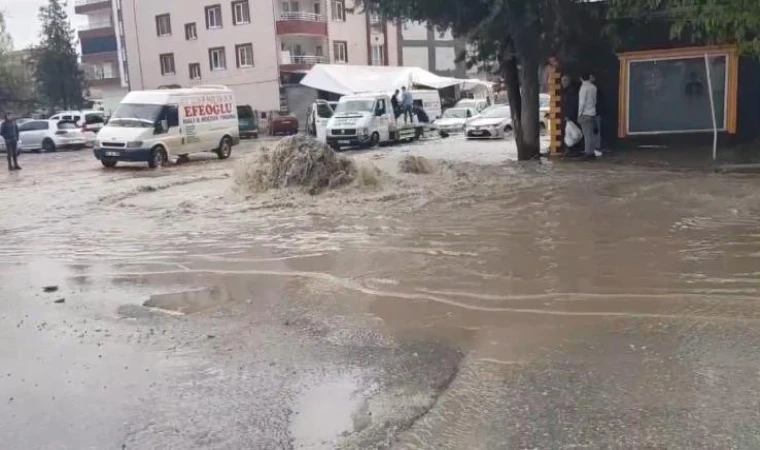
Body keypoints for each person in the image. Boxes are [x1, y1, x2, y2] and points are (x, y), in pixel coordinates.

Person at [577, 72, 598, 160]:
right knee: (591, 135)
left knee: (587, 135)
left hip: (585, 114)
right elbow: (595, 101)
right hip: (592, 112)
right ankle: (592, 152)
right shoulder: (594, 87)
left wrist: (579, 114)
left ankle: (588, 153)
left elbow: (582, 102)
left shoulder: (583, 88)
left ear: (581, 78)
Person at [559, 74, 580, 156]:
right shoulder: (567, 91)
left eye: (564, 81)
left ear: (569, 81)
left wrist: (568, 115)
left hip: (571, 116)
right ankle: (570, 150)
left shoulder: (571, 91)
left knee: (572, 133)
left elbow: (572, 104)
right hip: (569, 115)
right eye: (562, 81)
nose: (562, 83)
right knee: (570, 133)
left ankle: (571, 150)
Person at [589, 73, 603, 153]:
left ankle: (596, 147)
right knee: (591, 131)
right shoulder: (592, 88)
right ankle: (593, 147)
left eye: (592, 77)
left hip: (595, 113)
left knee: (596, 130)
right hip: (591, 112)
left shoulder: (595, 88)